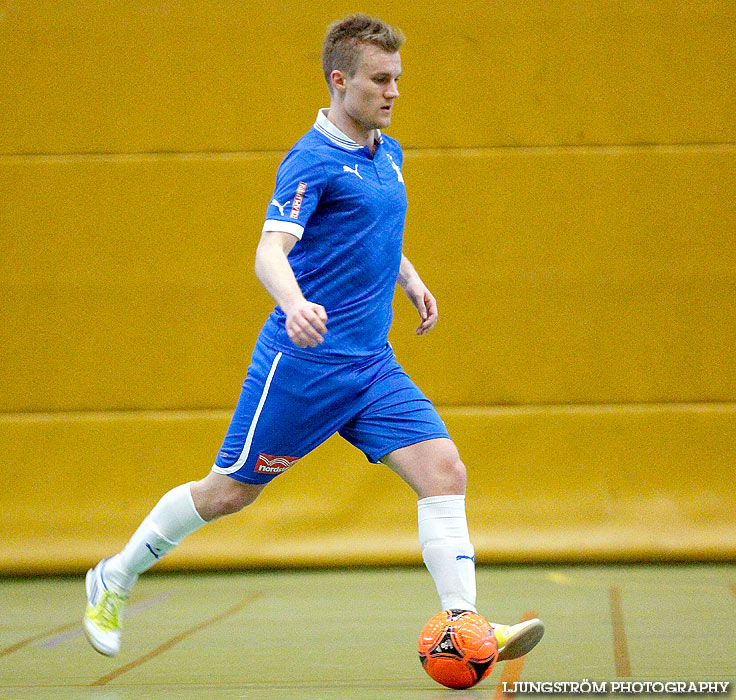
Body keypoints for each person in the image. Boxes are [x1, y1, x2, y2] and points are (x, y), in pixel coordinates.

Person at [83, 13, 544, 664]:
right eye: (380, 80)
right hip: (304, 365)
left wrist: (409, 278)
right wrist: (294, 302)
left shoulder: (390, 152)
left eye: (398, 80)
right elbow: (270, 251)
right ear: (340, 80)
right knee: (228, 493)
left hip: (372, 367)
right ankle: (117, 574)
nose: (393, 92)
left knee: (445, 472)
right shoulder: (313, 159)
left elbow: (372, 231)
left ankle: (464, 625)